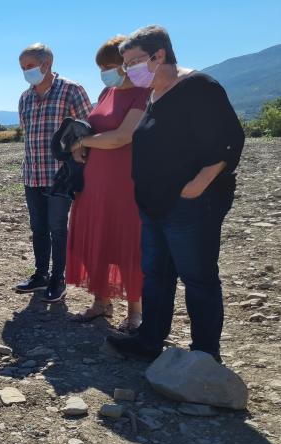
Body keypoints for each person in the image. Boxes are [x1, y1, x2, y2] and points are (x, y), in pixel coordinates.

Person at [106, 25, 244, 362]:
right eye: (125, 64)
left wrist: (198, 184)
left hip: (191, 204)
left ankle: (205, 353)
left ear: (160, 55)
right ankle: (151, 339)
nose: (128, 70)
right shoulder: (154, 93)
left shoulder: (198, 87)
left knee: (198, 277)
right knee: (156, 273)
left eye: (133, 61)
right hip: (154, 204)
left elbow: (230, 141)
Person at [65, 36, 150, 330]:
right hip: (93, 183)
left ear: (127, 65)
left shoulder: (143, 93)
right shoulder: (106, 92)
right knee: (98, 241)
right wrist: (79, 145)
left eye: (110, 66)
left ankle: (136, 311)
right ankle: (101, 303)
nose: (105, 72)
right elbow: (94, 128)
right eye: (102, 67)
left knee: (126, 243)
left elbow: (123, 136)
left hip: (123, 184)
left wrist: (83, 141)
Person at [15, 43, 92, 302]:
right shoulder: (25, 98)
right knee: (38, 227)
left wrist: (76, 156)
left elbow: (88, 129)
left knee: (57, 227)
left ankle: (58, 279)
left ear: (46, 64)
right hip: (32, 173)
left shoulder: (72, 91)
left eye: (30, 66)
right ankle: (40, 275)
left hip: (60, 174)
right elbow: (28, 135)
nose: (26, 72)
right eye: (22, 67)